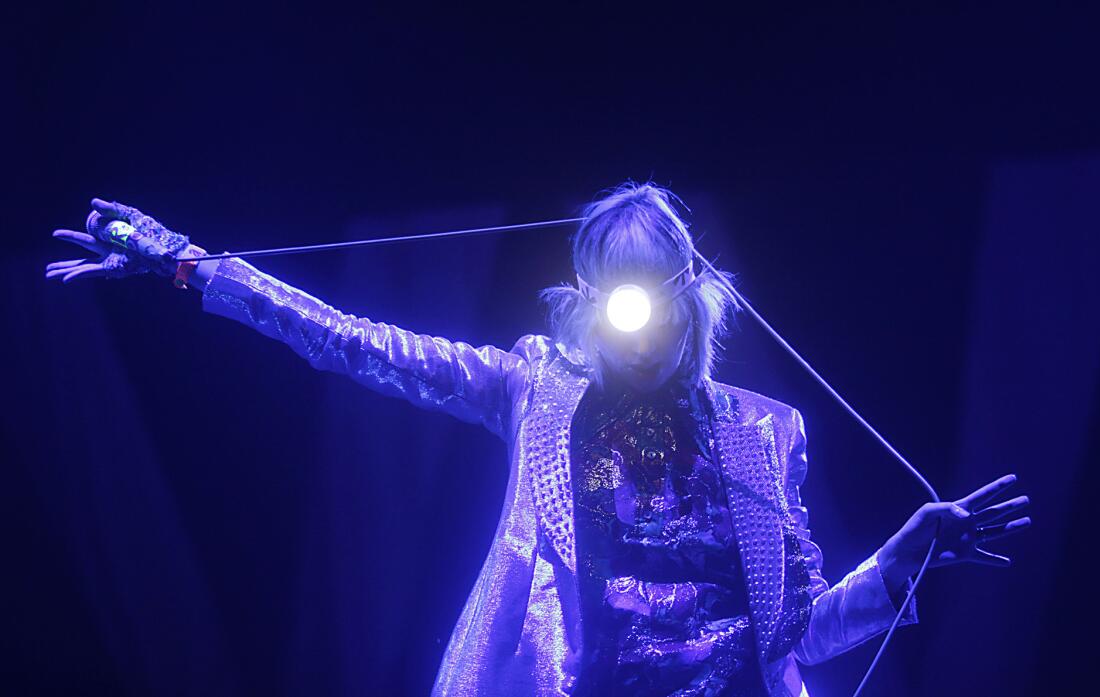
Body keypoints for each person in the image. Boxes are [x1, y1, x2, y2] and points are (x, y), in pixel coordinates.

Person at [46, 183, 1031, 696]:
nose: (639, 320)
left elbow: (799, 638)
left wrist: (908, 553)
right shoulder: (536, 390)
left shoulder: (766, 432)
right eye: (617, 291)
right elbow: (349, 342)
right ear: (593, 302)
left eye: (656, 289)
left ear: (692, 300)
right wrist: (185, 266)